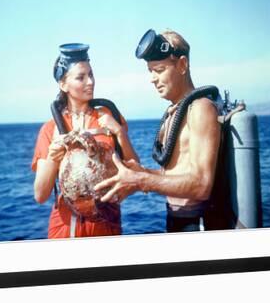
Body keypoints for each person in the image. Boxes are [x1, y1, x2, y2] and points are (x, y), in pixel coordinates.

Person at [95, 29, 222, 233]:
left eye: (160, 69)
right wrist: (140, 172)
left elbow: (201, 184)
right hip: (176, 218)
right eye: (150, 71)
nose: (153, 79)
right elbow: (176, 174)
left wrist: (141, 181)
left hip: (197, 222)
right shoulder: (175, 111)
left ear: (182, 65)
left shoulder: (200, 108)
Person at [31, 43, 139, 239]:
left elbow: (135, 172)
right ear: (63, 84)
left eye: (91, 74)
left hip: (105, 226)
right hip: (65, 228)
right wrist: (54, 157)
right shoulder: (51, 129)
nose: (90, 82)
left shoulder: (111, 118)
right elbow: (40, 195)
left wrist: (119, 133)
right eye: (81, 77)